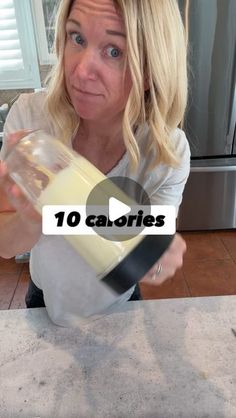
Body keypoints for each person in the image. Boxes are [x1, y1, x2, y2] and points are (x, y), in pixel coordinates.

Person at [0, 0, 190, 321]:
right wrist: (33, 216)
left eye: (114, 51)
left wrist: (155, 259)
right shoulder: (31, 119)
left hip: (121, 303)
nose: (81, 70)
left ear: (148, 71)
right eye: (77, 38)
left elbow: (147, 253)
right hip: (44, 298)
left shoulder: (165, 152)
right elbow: (5, 244)